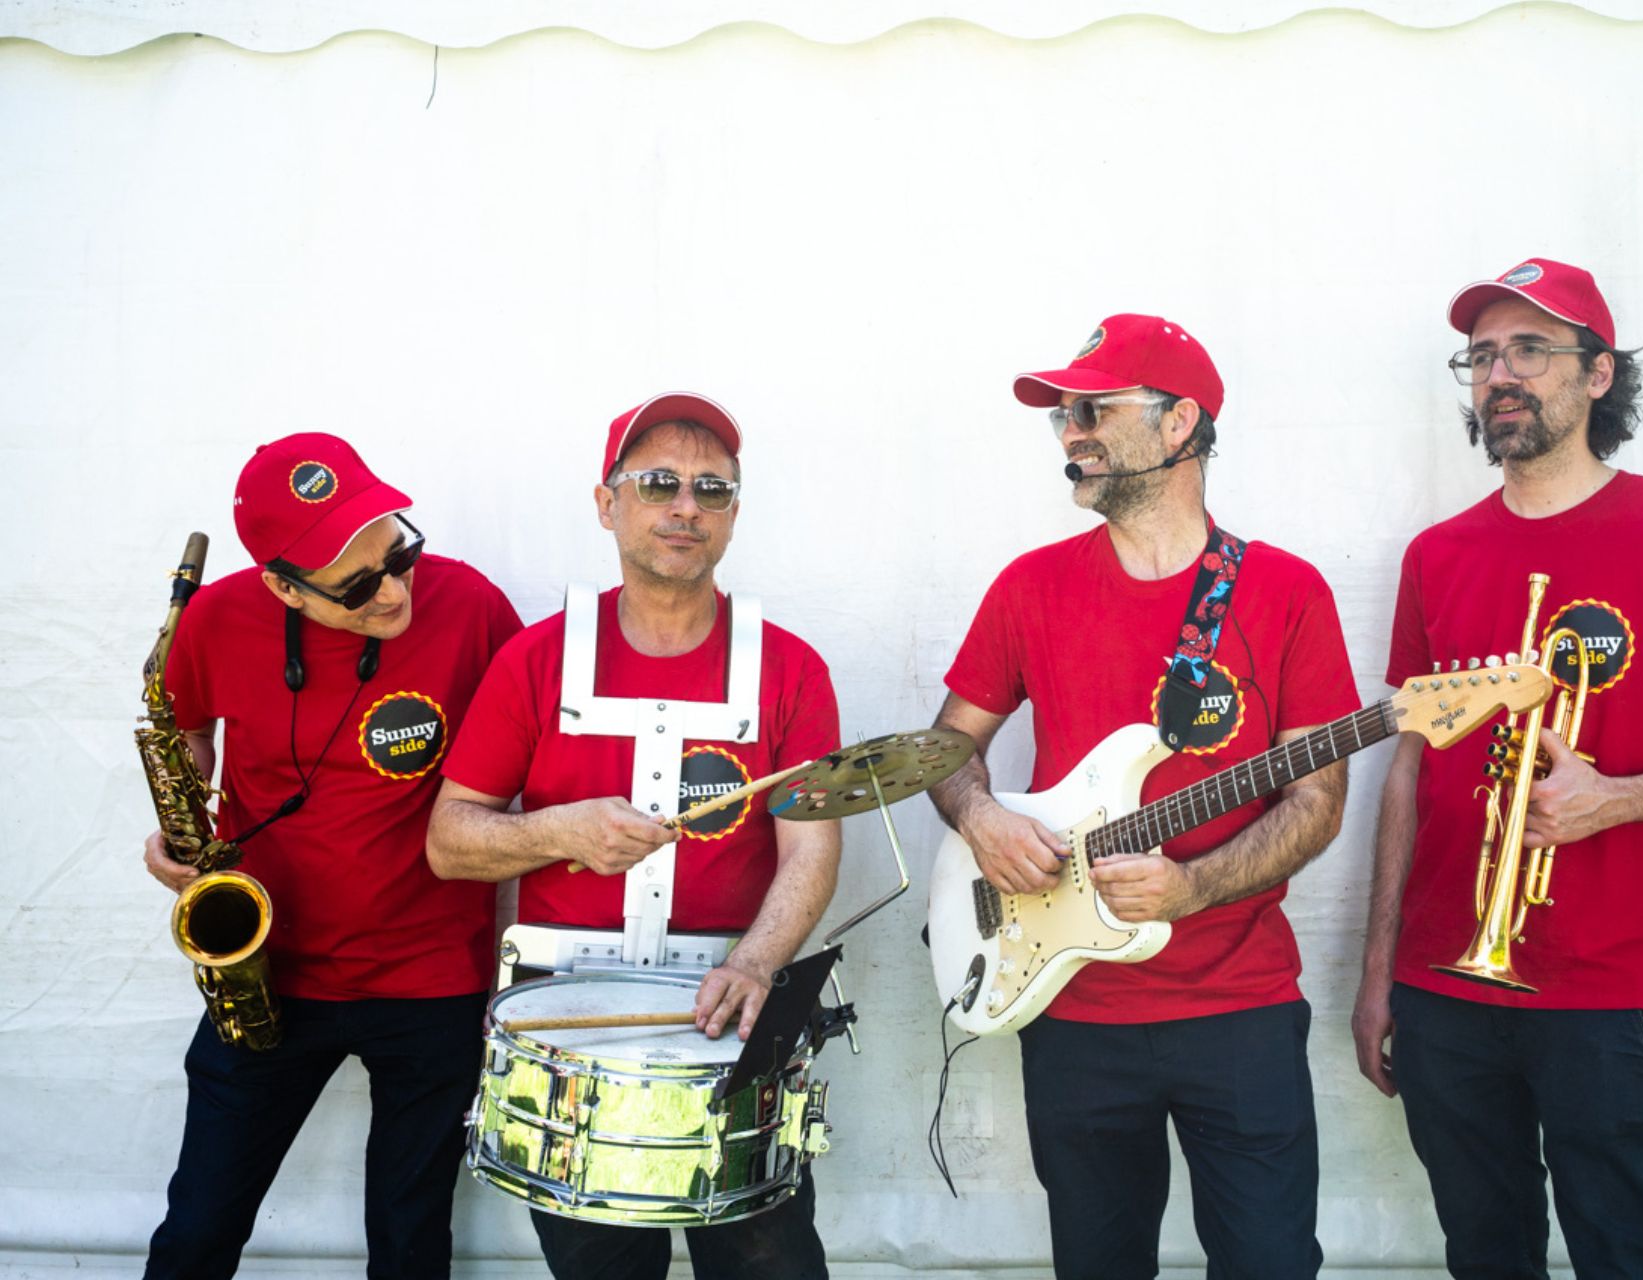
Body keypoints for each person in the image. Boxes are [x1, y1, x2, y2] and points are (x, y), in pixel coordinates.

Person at [1350, 258, 1643, 1278]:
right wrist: (1379, 968)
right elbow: (1408, 771)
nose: (1499, 375)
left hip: (1605, 978)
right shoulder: (1437, 555)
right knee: (1484, 1250)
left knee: (1626, 1248)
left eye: (1531, 349)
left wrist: (1618, 799)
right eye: (1480, 356)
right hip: (1441, 976)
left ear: (1600, 374)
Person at [929, 315, 1358, 1279]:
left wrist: (1194, 888)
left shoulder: (1286, 592)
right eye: (1062, 416)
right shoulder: (1028, 589)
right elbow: (947, 750)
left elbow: (1314, 802)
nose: (1071, 430)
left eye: (1095, 409)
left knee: (1270, 1264)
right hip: (1072, 1004)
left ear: (1179, 426)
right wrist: (984, 816)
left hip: (1239, 1008)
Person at [426, 392, 841, 1280]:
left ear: (733, 513)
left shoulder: (791, 668)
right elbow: (448, 841)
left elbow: (812, 848)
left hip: (733, 1015)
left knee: (768, 1262)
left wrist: (758, 963)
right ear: (607, 503)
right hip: (572, 1028)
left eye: (712, 489)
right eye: (658, 484)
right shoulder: (535, 659)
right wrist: (556, 829)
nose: (685, 507)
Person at [141, 432, 524, 1279]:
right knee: (198, 1230)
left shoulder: (474, 606)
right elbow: (189, 731)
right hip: (264, 973)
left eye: (400, 555)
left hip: (432, 981)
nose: (394, 591)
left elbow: (531, 742)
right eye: (357, 584)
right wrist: (178, 823)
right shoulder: (215, 620)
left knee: (409, 1238)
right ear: (282, 584)